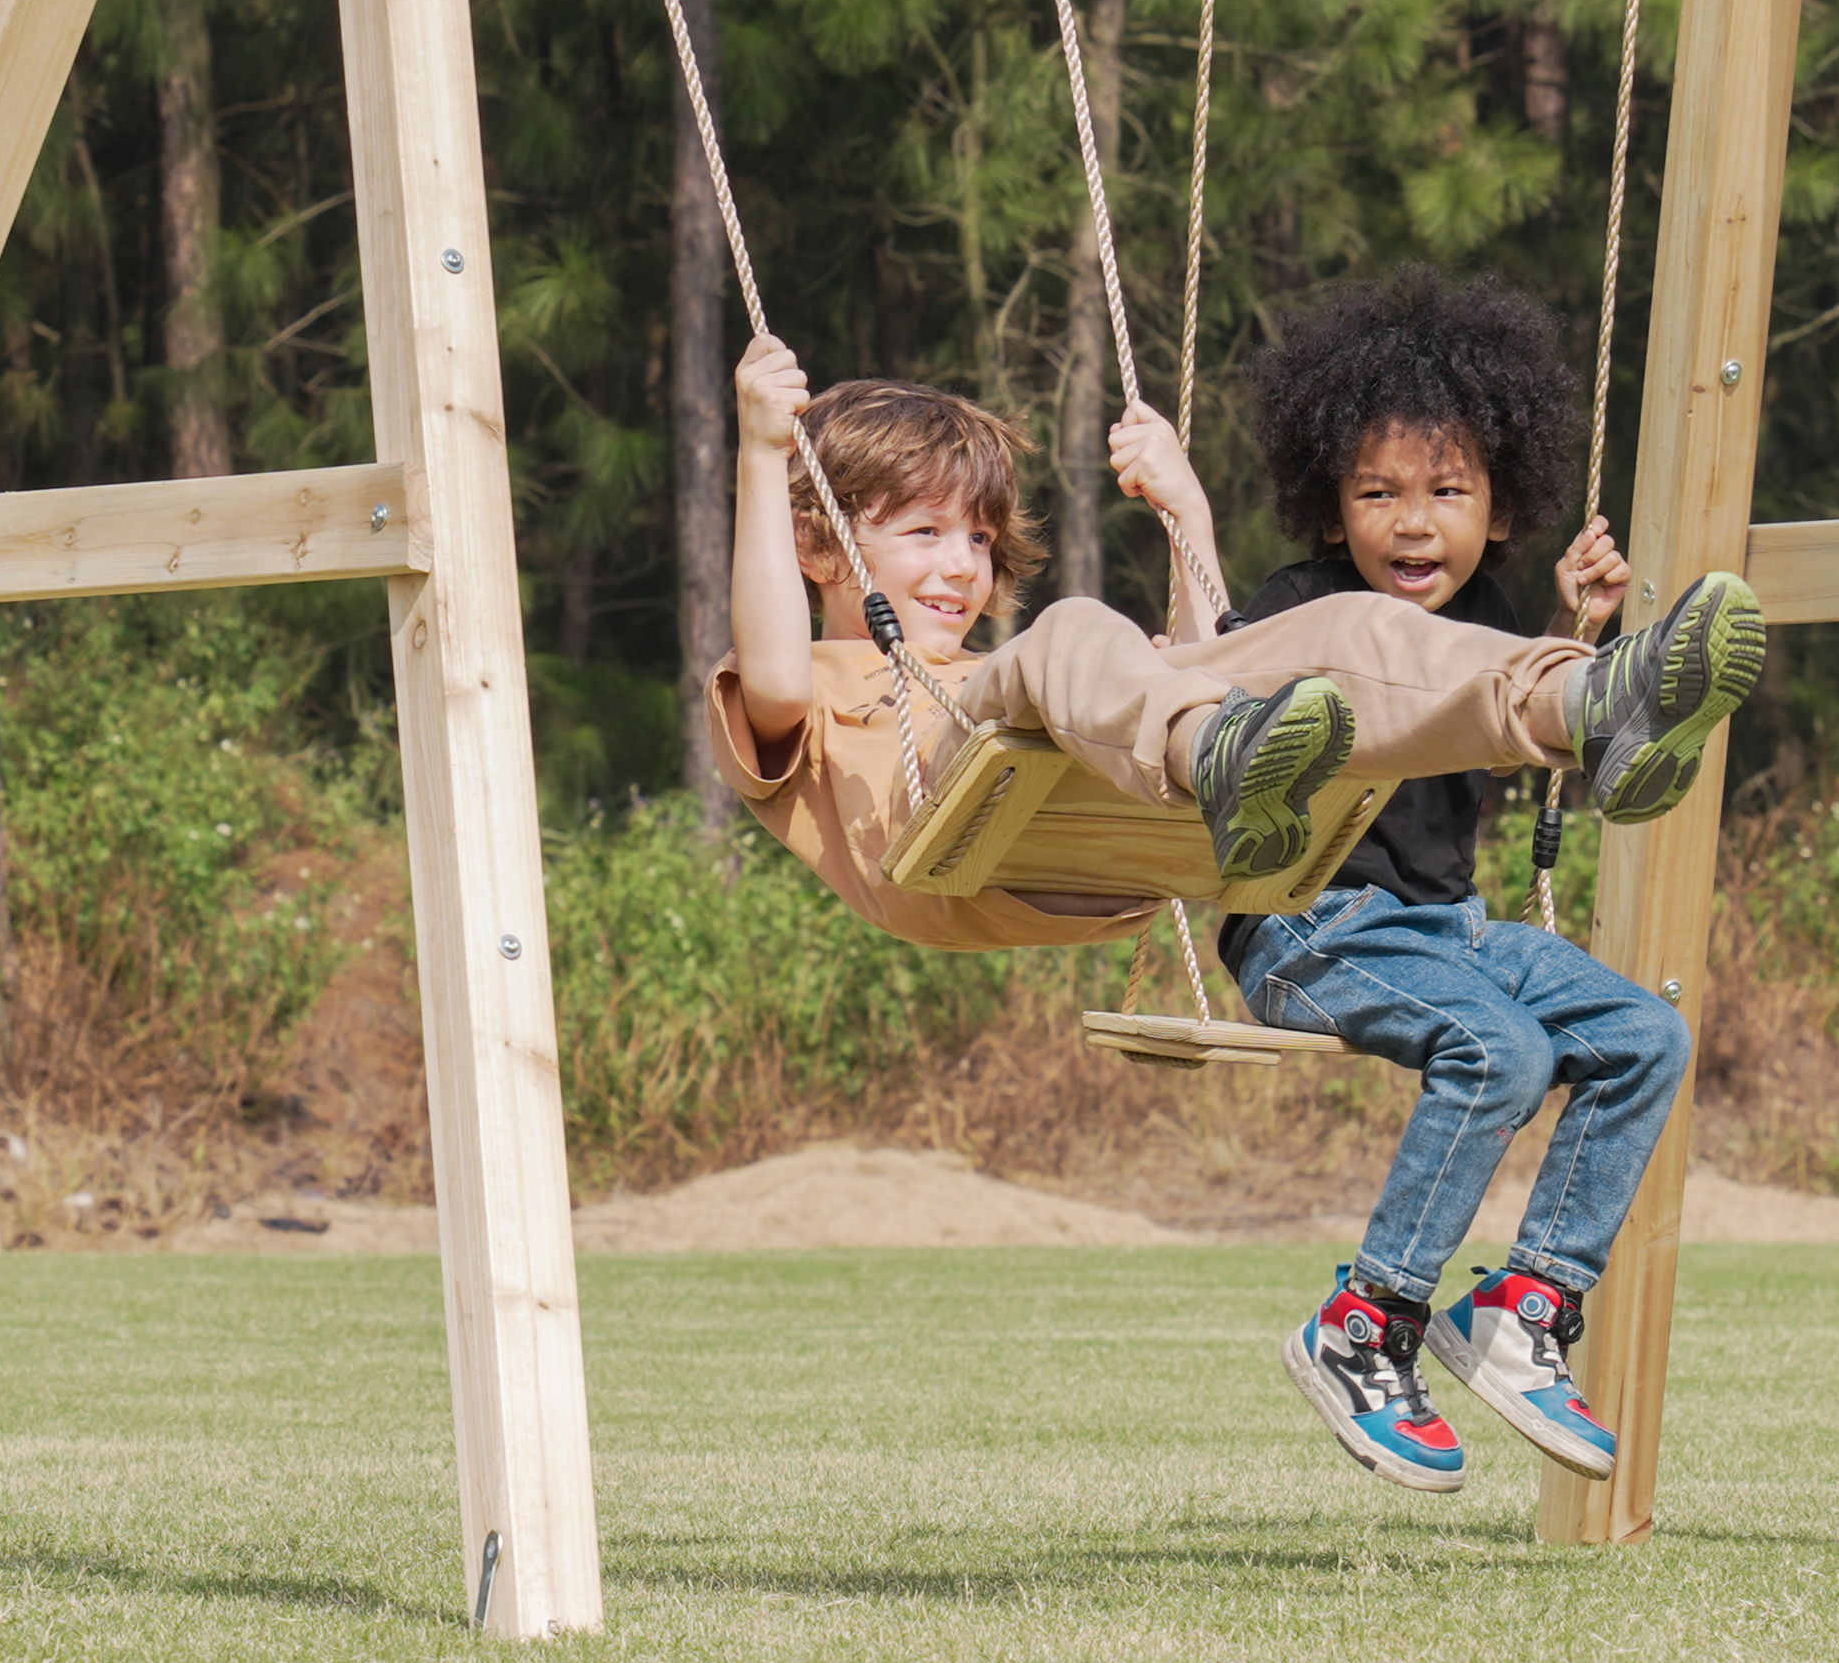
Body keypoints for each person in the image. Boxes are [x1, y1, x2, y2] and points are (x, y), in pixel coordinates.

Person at [705, 335, 1761, 1201]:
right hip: (935, 831)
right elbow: (776, 673)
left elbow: (1209, 656)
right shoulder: (819, 681)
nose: (960, 565)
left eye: (978, 539)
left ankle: (1582, 707)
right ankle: (1220, 757)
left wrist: (1185, 516)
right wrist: (761, 455)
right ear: (822, 546)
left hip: (1098, 848)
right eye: (925, 532)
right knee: (1076, 629)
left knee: (1343, 624)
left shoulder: (1018, 669)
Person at [1195, 268, 1736, 1495]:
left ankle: (1525, 1303)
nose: (1412, 522)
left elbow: (1498, 700)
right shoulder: (1299, 608)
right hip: (1308, 929)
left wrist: (1575, 640)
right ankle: (1364, 1326)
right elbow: (1201, 690)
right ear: (1330, 509)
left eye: (1448, 492)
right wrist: (1180, 507)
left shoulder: (1493, 612)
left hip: (1448, 929)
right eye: (1377, 493)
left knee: (1645, 1034)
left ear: (1501, 510)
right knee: (1500, 1051)